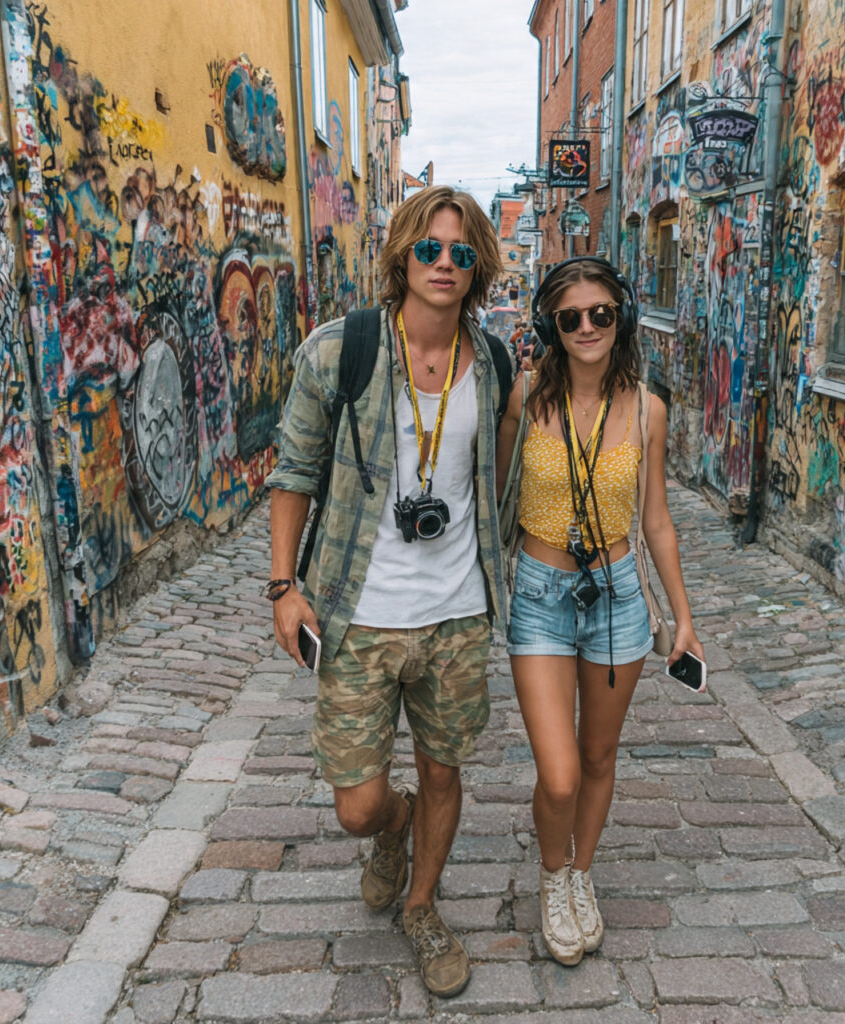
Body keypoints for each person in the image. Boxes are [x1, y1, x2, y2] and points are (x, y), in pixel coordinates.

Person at [266, 185, 508, 998]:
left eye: (462, 253)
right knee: (357, 806)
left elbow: (502, 478)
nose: (445, 264)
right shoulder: (343, 350)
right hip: (358, 612)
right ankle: (392, 829)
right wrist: (283, 587)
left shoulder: (496, 363)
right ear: (403, 254)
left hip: (457, 614)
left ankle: (423, 906)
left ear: (479, 269)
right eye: (431, 249)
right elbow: (294, 470)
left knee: (445, 768)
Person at [495, 256, 704, 966]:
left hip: (616, 595)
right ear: (551, 326)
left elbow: (657, 522)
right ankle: (555, 878)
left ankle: (582, 876)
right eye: (570, 317)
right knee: (557, 772)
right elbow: (493, 497)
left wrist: (683, 618)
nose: (587, 327)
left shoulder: (648, 409)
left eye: (601, 314)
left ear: (623, 318)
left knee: (598, 755)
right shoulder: (525, 397)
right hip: (541, 596)